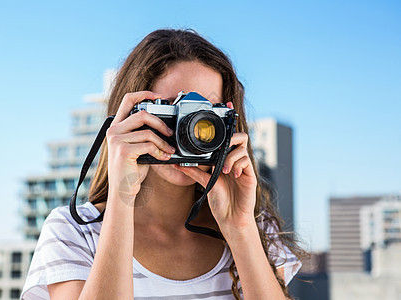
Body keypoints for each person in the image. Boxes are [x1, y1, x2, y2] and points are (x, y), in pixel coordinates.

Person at [22, 29, 307, 300]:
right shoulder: (73, 231)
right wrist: (122, 197)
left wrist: (239, 228)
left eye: (204, 112)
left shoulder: (256, 228)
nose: (191, 126)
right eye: (172, 109)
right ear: (130, 117)